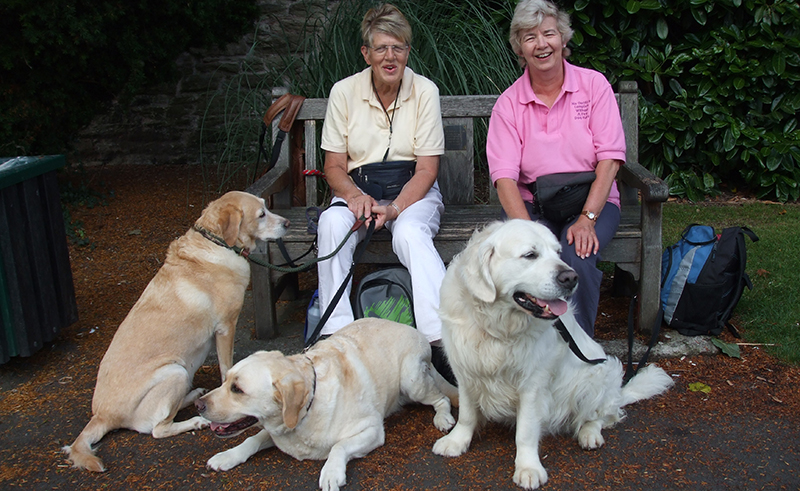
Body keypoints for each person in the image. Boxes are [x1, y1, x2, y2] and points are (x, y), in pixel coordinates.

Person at [316, 4, 453, 381]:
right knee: (331, 225)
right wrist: (356, 198)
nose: (390, 57)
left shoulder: (425, 91)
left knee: (410, 232)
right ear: (366, 53)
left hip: (412, 190)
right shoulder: (343, 92)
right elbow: (333, 167)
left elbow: (427, 169)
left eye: (398, 48)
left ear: (408, 51)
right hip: (358, 188)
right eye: (381, 48)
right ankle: (336, 334)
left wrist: (393, 210)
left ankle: (440, 340)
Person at [486, 0, 626, 337]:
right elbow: (504, 178)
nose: (541, 44)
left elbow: (610, 158)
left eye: (549, 33)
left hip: (592, 199)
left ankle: (578, 349)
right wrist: (527, 232)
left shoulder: (593, 86)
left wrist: (587, 219)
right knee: (526, 260)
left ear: (563, 38)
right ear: (519, 48)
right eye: (530, 37)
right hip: (535, 204)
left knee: (577, 255)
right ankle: (530, 344)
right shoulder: (509, 103)